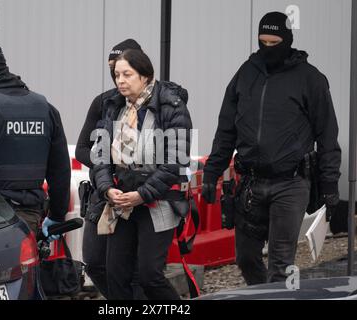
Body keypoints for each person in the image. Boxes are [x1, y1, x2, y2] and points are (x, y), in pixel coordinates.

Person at [202, 12, 341, 285]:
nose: (268, 48)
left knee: (281, 262)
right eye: (262, 41)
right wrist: (211, 173)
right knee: (245, 257)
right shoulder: (245, 73)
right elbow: (226, 129)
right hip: (251, 182)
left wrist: (330, 184)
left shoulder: (310, 79)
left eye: (274, 41)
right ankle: (264, 292)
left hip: (291, 183)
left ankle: (276, 292)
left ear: (288, 39)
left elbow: (327, 134)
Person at [93, 49, 192, 300]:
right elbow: (100, 155)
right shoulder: (114, 105)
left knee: (150, 276)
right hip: (121, 199)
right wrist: (106, 188)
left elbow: (174, 164)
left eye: (127, 74)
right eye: (117, 75)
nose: (120, 81)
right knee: (115, 274)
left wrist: (142, 194)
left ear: (145, 76)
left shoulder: (172, 106)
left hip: (157, 200)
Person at [0, 41, 71, 239]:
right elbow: (60, 170)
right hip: (30, 219)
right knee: (27, 270)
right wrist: (57, 216)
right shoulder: (46, 109)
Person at [75, 39, 143, 299]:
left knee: (136, 271)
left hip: (138, 197)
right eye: (112, 68)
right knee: (93, 262)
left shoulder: (157, 103)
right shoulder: (103, 102)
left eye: (122, 69)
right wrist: (105, 166)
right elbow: (82, 148)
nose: (118, 76)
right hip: (102, 195)